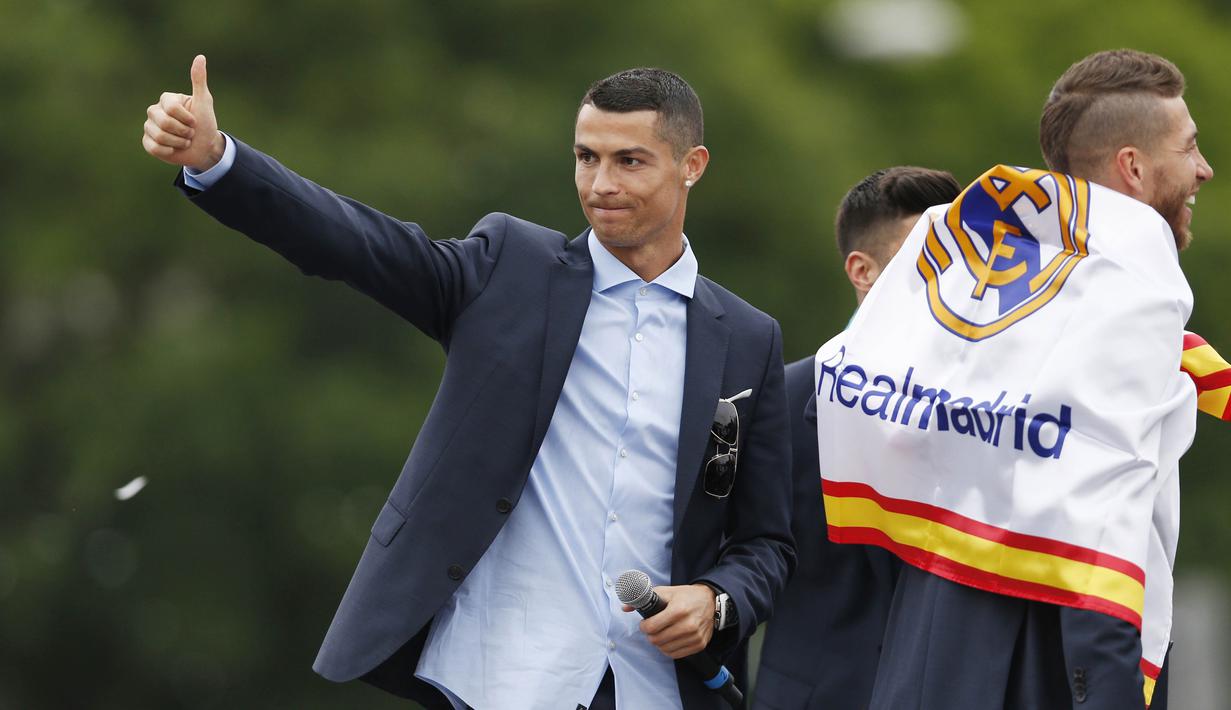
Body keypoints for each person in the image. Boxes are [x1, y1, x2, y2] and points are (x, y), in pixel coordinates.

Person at [141, 56, 794, 710]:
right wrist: (218, 160)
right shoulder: (510, 267)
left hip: (653, 688)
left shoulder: (747, 337)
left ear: (692, 165)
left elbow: (766, 542)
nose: (599, 183)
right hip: (498, 675)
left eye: (628, 161)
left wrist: (716, 601)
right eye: (585, 157)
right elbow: (355, 242)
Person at [817, 49, 1211, 710]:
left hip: (928, 666)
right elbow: (1097, 519)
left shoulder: (970, 287)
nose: (1201, 168)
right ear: (1133, 169)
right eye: (1188, 148)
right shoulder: (1127, 298)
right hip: (1048, 671)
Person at [751, 167, 960, 710]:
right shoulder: (781, 399)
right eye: (929, 259)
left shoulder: (1007, 417)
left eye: (969, 257)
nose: (956, 279)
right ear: (862, 271)